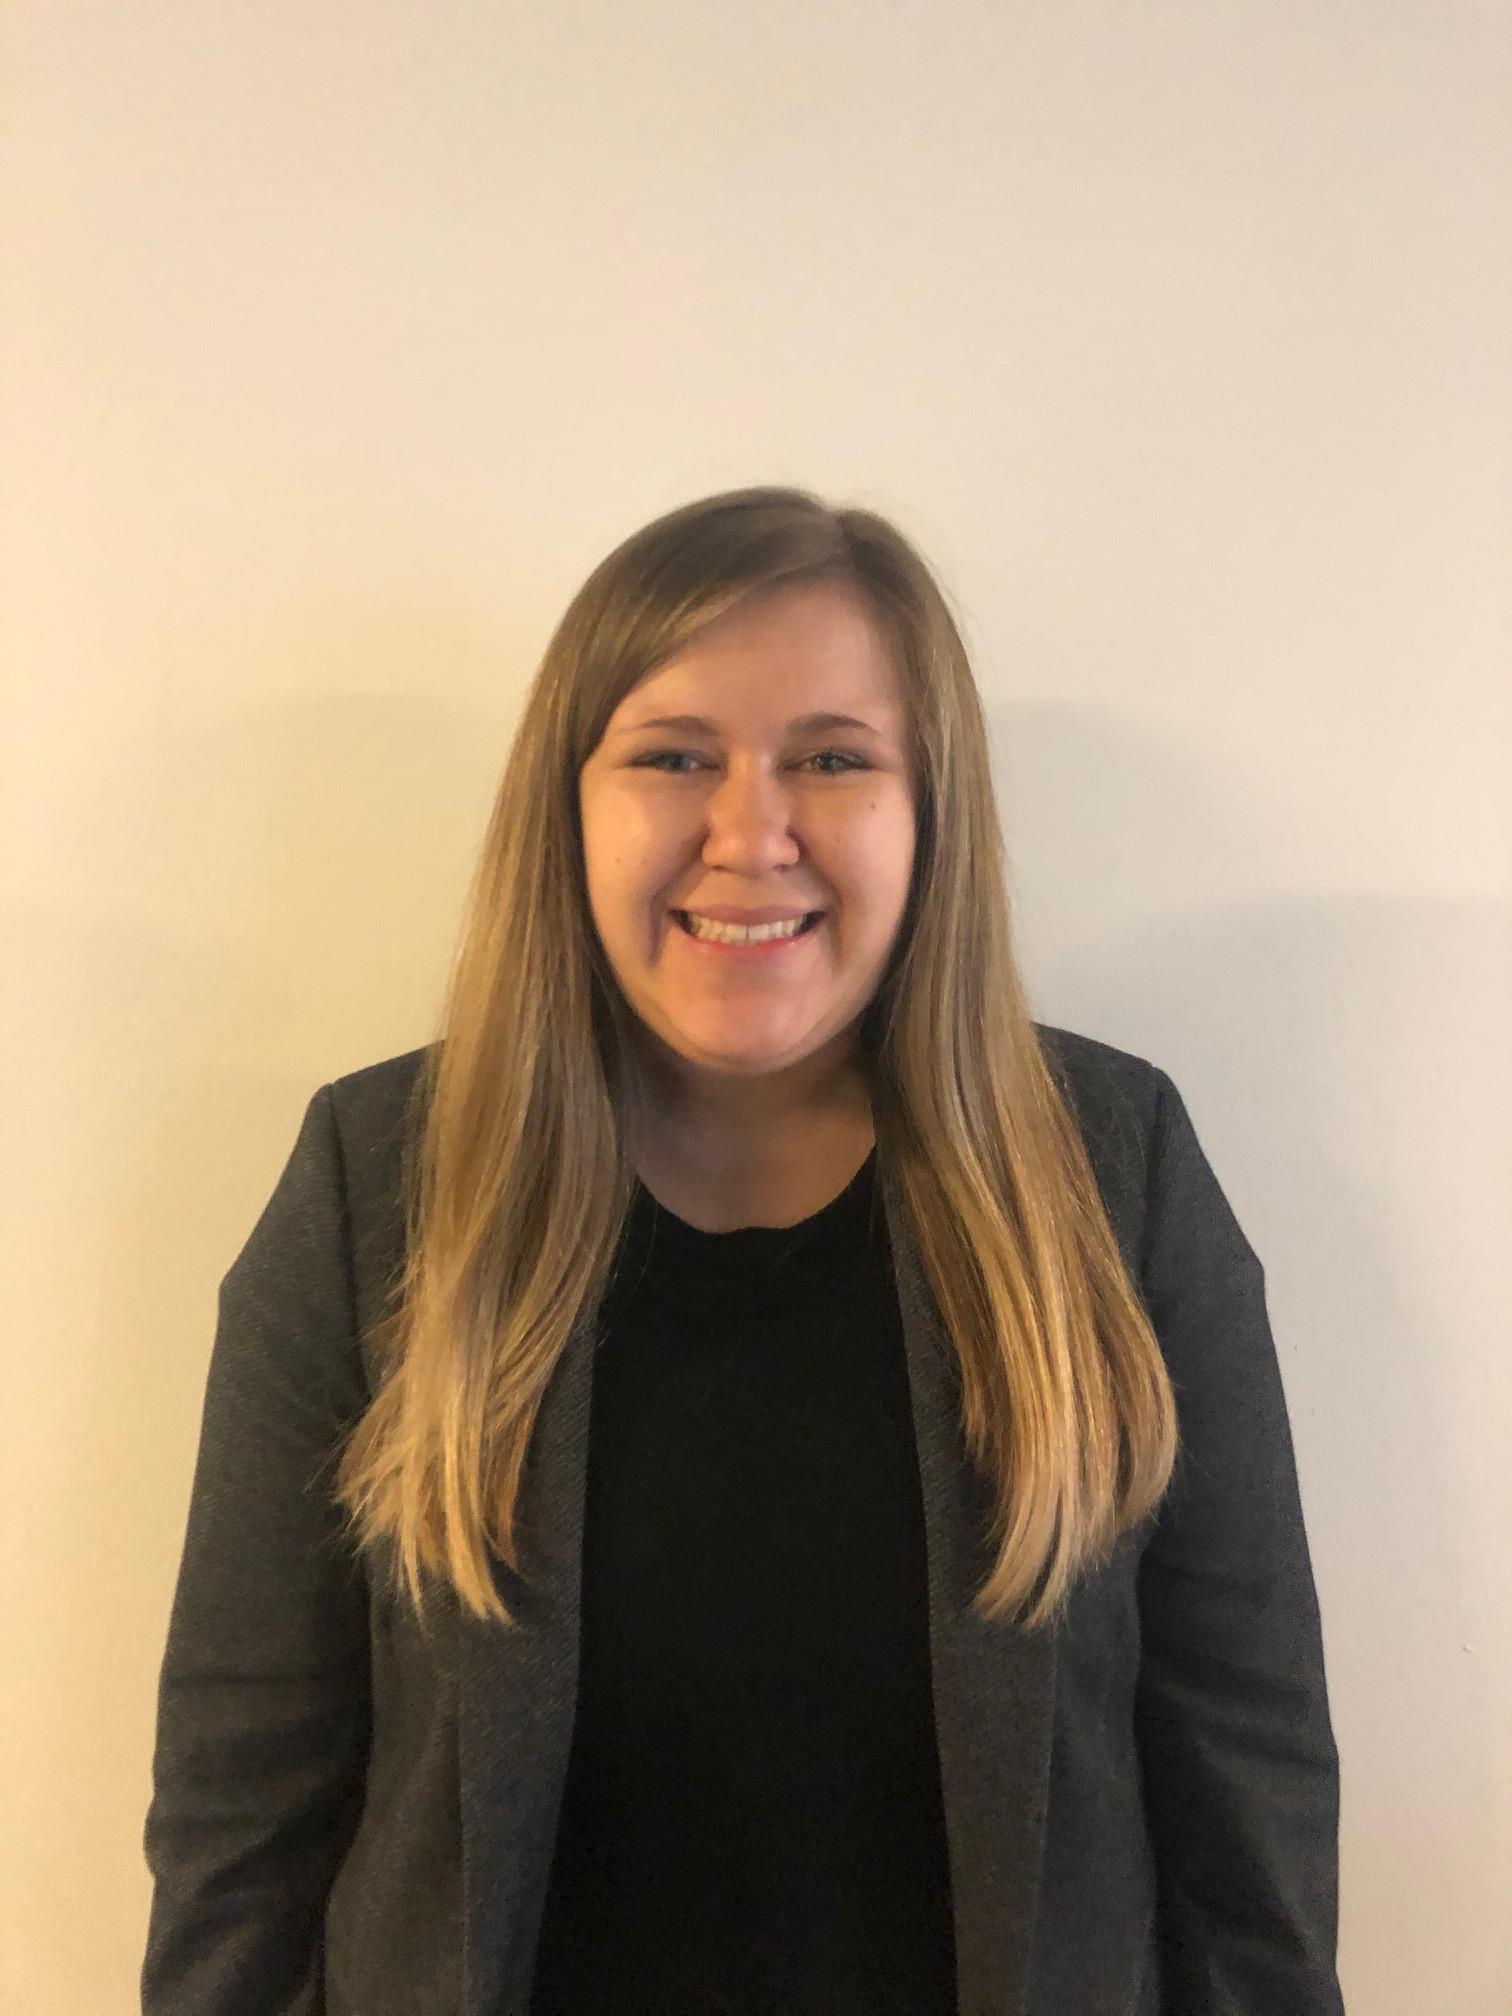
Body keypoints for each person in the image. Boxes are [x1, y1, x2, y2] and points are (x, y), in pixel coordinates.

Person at [141, 485, 1345, 2015]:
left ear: (931, 811)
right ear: (569, 805)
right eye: (674, 756)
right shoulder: (373, 1189)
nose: (749, 834)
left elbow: (1246, 1768)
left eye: (833, 759)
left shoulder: (1116, 1176)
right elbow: (243, 1793)